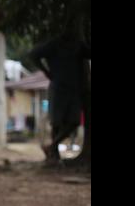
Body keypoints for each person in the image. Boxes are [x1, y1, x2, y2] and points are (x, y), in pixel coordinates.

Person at [27, 33, 90, 162]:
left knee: (74, 122)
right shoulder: (53, 44)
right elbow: (33, 55)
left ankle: (51, 146)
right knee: (56, 122)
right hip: (59, 88)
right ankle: (53, 154)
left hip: (74, 89)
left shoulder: (79, 44)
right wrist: (46, 72)